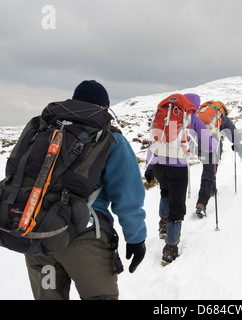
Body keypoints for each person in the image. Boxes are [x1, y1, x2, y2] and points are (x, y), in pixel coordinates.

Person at [25, 80, 147, 300]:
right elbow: (128, 197)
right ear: (103, 108)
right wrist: (136, 238)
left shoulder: (43, 130)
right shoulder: (111, 139)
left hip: (38, 239)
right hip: (85, 239)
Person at [144, 93, 217, 266]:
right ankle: (170, 248)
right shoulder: (192, 118)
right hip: (177, 166)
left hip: (159, 163)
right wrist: (214, 138)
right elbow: (208, 146)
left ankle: (163, 225)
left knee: (165, 192)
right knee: (177, 204)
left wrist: (149, 166)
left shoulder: (163, 114)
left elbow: (152, 141)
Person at [195, 101, 242, 217]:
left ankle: (212, 189)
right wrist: (237, 143)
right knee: (208, 172)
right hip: (212, 147)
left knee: (209, 167)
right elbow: (234, 136)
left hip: (197, 145)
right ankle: (201, 204)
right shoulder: (221, 116)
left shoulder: (201, 113)